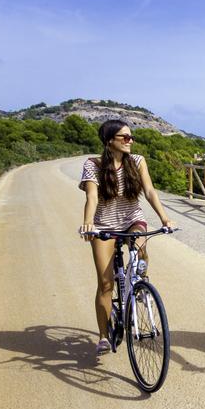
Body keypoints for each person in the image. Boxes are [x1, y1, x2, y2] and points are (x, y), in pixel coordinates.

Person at [78, 119, 174, 355]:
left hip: (132, 219)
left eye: (131, 137)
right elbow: (91, 196)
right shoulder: (93, 165)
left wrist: (165, 219)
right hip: (103, 224)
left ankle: (137, 282)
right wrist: (88, 223)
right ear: (110, 141)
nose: (130, 141)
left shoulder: (138, 161)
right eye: (125, 137)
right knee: (106, 284)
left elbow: (150, 191)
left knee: (141, 250)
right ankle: (103, 336)